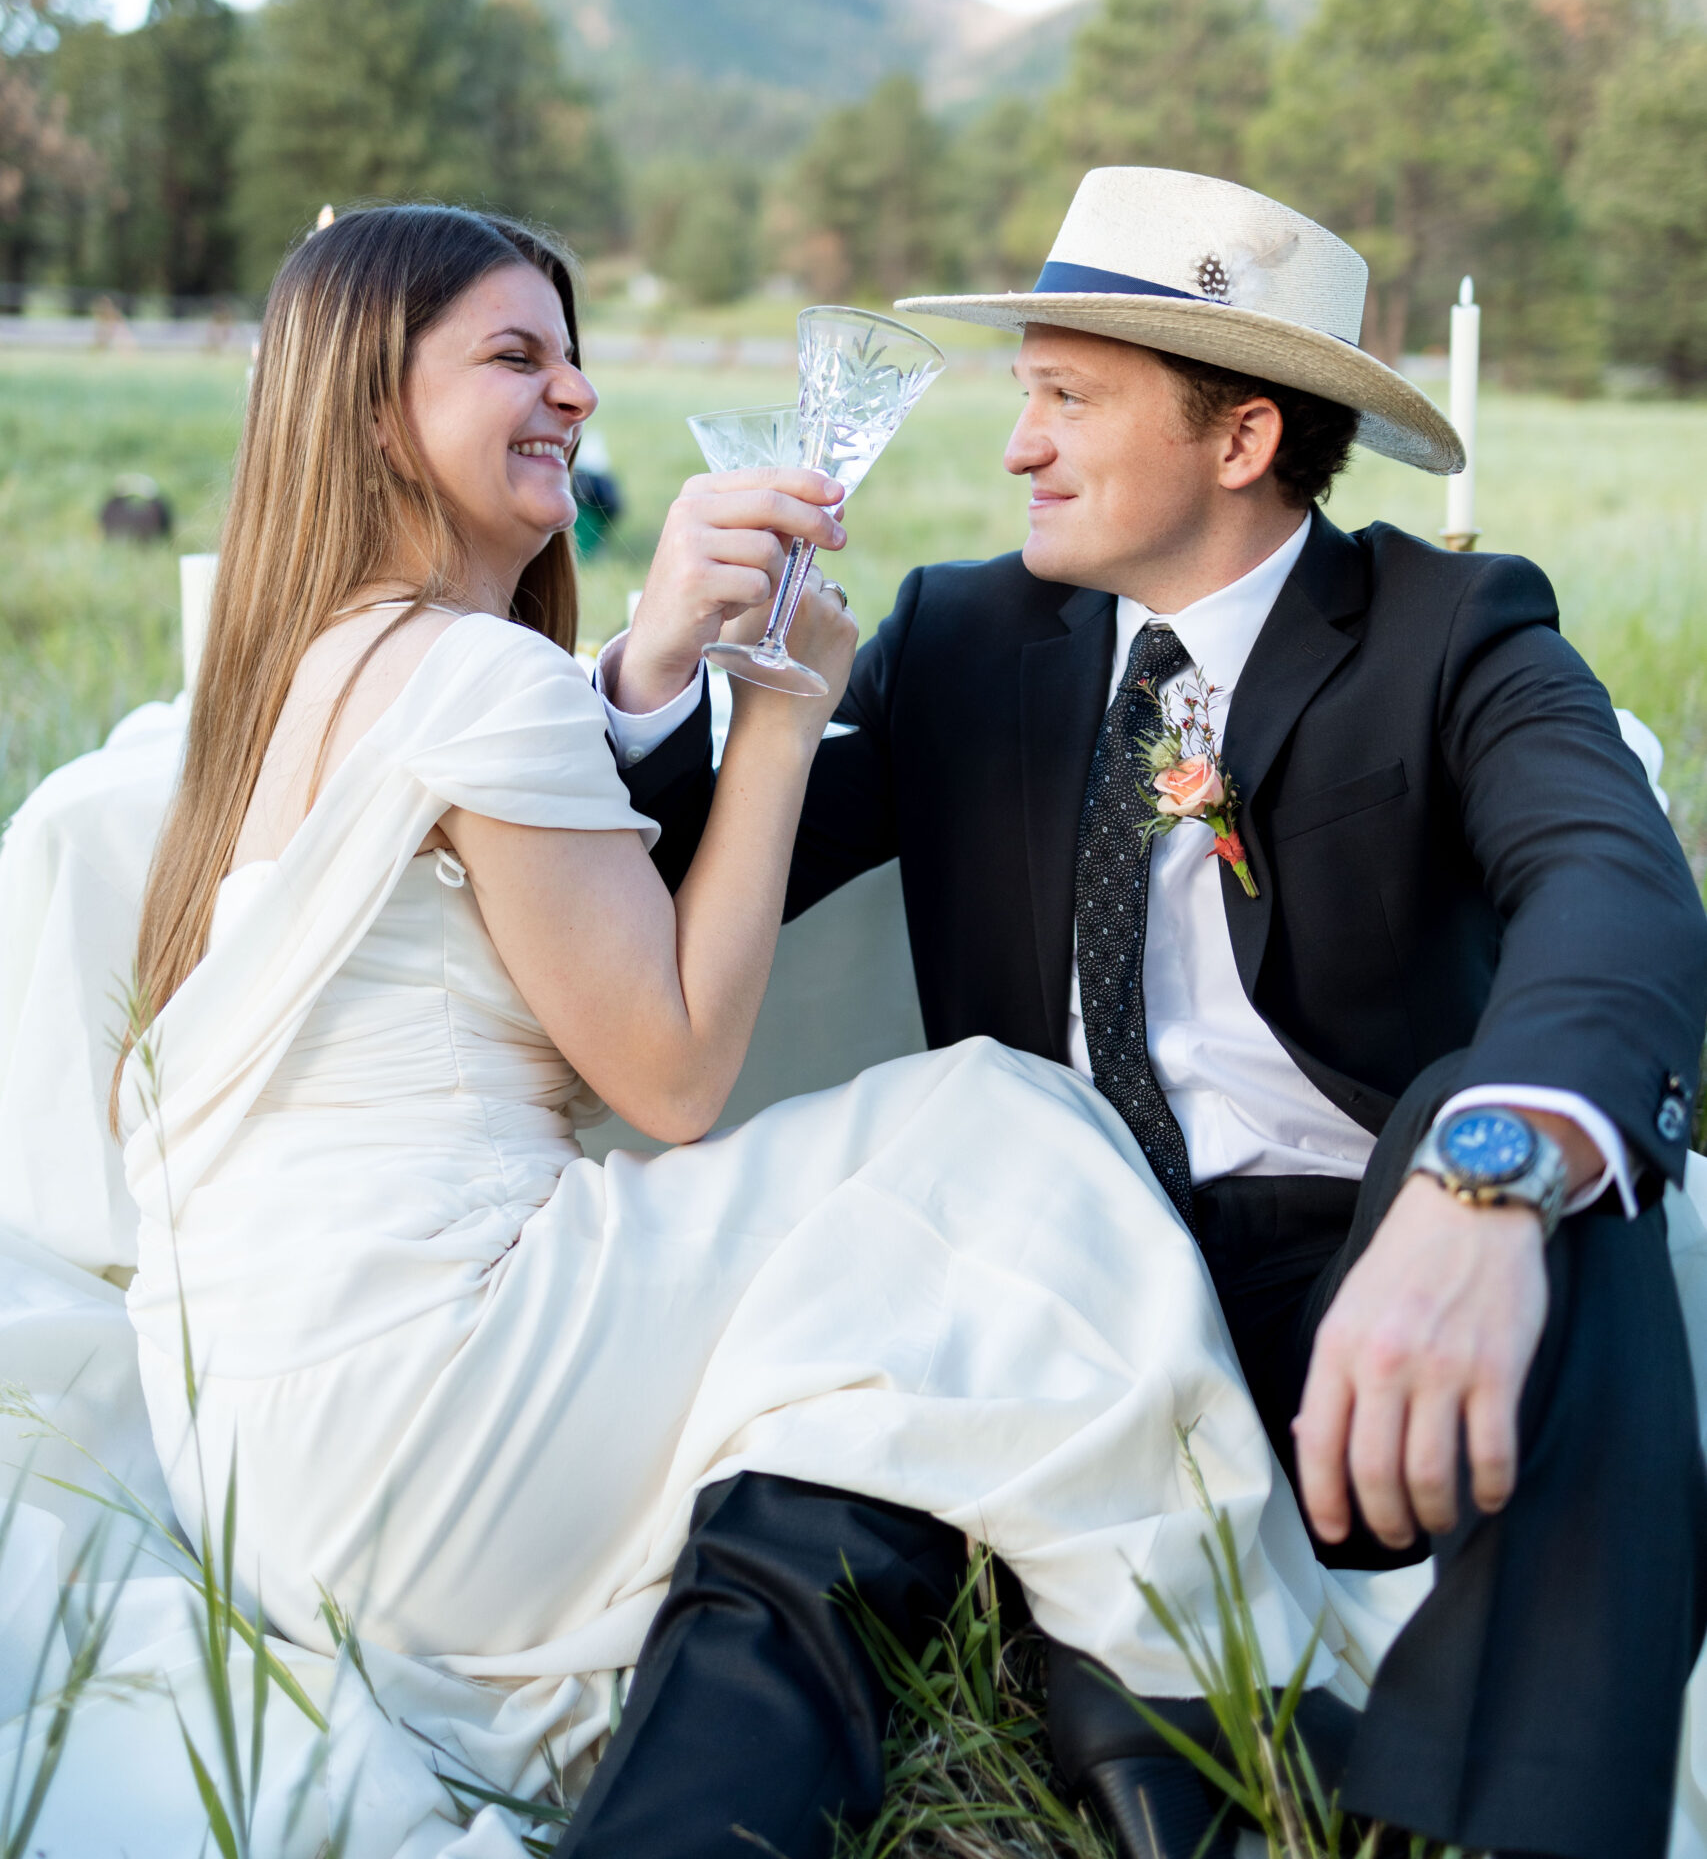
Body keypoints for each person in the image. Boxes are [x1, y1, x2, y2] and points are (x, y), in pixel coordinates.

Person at [117, 202, 1343, 1859]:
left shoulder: (309, 666)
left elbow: (542, 838)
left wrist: (652, 661)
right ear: (368, 406)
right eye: (513, 357)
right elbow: (677, 1076)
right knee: (999, 1132)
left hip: (260, 1446)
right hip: (427, 1404)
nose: (574, 394)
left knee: (846, 1319)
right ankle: (1200, 1750)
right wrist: (777, 703)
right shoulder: (475, 678)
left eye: (573, 354)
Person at [591, 166, 1707, 1859]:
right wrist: (667, 667)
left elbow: (1614, 891)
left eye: (1066, 398)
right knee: (793, 1498)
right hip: (1043, 1261)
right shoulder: (962, 633)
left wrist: (1479, 1186)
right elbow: (698, 877)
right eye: (1023, 390)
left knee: (1518, 1140)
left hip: (1351, 1286)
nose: (1016, 444)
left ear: (1243, 440)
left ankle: (1497, 1820)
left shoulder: (1454, 632)